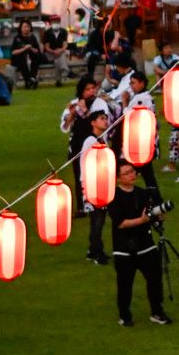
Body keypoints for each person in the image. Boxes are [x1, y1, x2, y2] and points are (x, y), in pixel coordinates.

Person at [110, 160, 172, 326]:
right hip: (124, 248)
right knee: (125, 284)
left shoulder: (143, 193)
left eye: (133, 171)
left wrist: (157, 217)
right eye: (127, 173)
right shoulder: (114, 197)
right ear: (117, 178)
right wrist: (142, 219)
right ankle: (125, 315)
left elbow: (150, 215)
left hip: (146, 244)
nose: (132, 175)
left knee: (155, 279)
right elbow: (121, 223)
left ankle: (157, 311)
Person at [60, 77, 114, 215]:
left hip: (93, 142)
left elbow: (102, 122)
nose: (91, 92)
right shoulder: (73, 103)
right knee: (79, 174)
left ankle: (100, 201)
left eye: (93, 88)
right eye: (87, 89)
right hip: (77, 143)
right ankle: (82, 206)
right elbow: (64, 127)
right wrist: (72, 113)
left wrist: (84, 110)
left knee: (96, 174)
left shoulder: (100, 103)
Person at [81, 110, 112, 265]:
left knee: (99, 219)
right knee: (97, 220)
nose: (105, 121)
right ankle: (97, 253)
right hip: (92, 186)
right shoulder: (90, 142)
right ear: (93, 122)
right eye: (101, 118)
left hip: (101, 185)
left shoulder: (102, 139)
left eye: (106, 118)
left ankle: (93, 249)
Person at [10, 20, 45, 90]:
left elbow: (37, 50)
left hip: (32, 58)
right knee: (22, 61)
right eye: (25, 27)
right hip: (20, 59)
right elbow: (13, 52)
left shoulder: (33, 37)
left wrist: (31, 48)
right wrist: (24, 48)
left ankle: (31, 79)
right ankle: (30, 80)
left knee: (36, 59)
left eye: (28, 27)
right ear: (21, 28)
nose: (27, 28)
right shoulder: (17, 38)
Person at [42, 15, 71, 86]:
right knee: (58, 58)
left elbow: (65, 45)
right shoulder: (47, 32)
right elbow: (46, 47)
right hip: (50, 53)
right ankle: (65, 70)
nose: (56, 23)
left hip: (60, 53)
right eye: (54, 21)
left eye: (57, 21)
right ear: (51, 22)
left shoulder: (63, 31)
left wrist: (60, 50)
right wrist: (53, 51)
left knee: (58, 60)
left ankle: (58, 81)